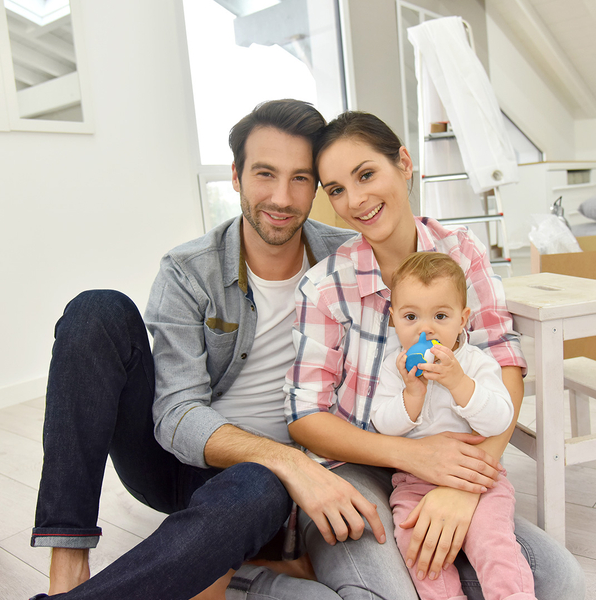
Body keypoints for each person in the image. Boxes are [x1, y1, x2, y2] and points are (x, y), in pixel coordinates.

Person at [29, 99, 397, 600]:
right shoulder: (188, 269)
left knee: (260, 482)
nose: (282, 197)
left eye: (301, 178)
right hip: (180, 467)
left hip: (271, 491)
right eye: (265, 173)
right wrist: (286, 461)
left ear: (318, 187)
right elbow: (176, 413)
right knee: (97, 311)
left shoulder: (348, 259)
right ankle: (68, 569)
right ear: (237, 177)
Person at [283, 111, 585, 599]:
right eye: (336, 189)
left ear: (403, 162)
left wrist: (465, 483)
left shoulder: (461, 251)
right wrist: (416, 457)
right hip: (352, 468)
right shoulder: (324, 286)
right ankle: (265, 576)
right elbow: (304, 418)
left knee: (561, 581)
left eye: (366, 174)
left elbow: (503, 366)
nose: (355, 200)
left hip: (453, 462)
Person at [371, 251, 535, 599]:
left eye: (440, 316)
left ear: (463, 320)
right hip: (413, 484)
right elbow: (383, 424)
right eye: (411, 316)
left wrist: (459, 383)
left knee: (494, 544)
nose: (425, 328)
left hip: (478, 479)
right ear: (393, 319)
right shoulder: (393, 367)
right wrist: (412, 394)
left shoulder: (476, 363)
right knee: (416, 547)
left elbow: (500, 418)